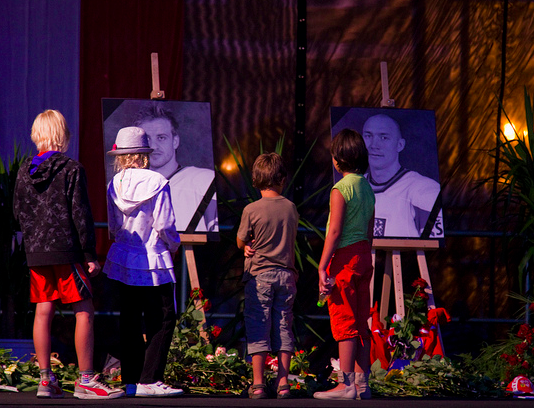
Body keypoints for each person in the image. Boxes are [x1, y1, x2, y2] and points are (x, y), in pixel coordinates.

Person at [13, 109, 124, 399]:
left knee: (43, 310)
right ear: (63, 134)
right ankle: (86, 379)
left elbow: (17, 213)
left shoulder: (25, 170)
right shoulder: (71, 168)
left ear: (37, 134)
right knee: (84, 310)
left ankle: (45, 380)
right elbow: (81, 214)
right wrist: (89, 253)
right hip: (67, 250)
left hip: (36, 251)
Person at [103, 126, 183, 397]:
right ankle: (150, 379)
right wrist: (174, 246)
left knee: (129, 320)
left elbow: (114, 226)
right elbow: (164, 224)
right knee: (161, 319)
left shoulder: (114, 183)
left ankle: (131, 380)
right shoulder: (157, 181)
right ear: (143, 154)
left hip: (125, 258)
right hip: (153, 259)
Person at [313, 129, 375, 400]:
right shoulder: (367, 187)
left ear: (338, 160)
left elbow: (335, 231)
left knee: (344, 319)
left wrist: (322, 266)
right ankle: (363, 385)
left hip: (346, 258)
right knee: (362, 321)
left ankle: (346, 384)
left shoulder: (341, 189)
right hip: (363, 255)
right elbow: (370, 229)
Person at [236, 153, 299, 400]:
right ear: (282, 179)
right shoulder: (291, 208)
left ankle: (259, 384)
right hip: (286, 275)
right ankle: (283, 384)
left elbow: (241, 239)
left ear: (255, 180)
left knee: (258, 326)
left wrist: (245, 246)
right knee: (284, 326)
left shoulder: (251, 209)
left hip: (259, 275)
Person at [133, 105, 217, 233]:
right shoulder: (129, 187)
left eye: (161, 137)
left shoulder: (203, 179)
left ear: (175, 141)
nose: (153, 146)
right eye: (147, 139)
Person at [361, 114, 443, 238]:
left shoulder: (425, 189)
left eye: (384, 137)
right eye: (368, 136)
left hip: (406, 257)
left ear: (400, 145)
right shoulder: (356, 187)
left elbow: (433, 244)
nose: (374, 145)